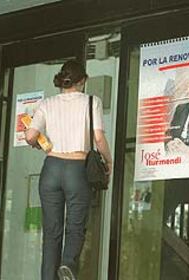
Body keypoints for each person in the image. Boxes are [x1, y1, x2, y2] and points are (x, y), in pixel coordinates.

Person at [25, 59, 113, 280]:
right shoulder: (92, 101)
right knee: (75, 226)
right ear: (82, 81)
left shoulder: (47, 103)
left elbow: (30, 136)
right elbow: (98, 137)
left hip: (51, 168)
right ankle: (67, 265)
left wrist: (39, 144)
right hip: (77, 168)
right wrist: (108, 161)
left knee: (51, 233)